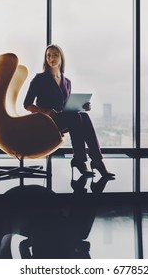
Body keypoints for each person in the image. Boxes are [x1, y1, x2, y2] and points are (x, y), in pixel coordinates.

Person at [23, 44, 114, 178]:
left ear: (61, 58)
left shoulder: (67, 82)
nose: (51, 58)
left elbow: (66, 106)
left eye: (55, 55)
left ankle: (95, 160)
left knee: (83, 115)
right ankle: (83, 160)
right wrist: (46, 111)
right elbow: (27, 104)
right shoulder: (39, 79)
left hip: (64, 118)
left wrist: (82, 106)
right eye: (48, 55)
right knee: (76, 117)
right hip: (46, 120)